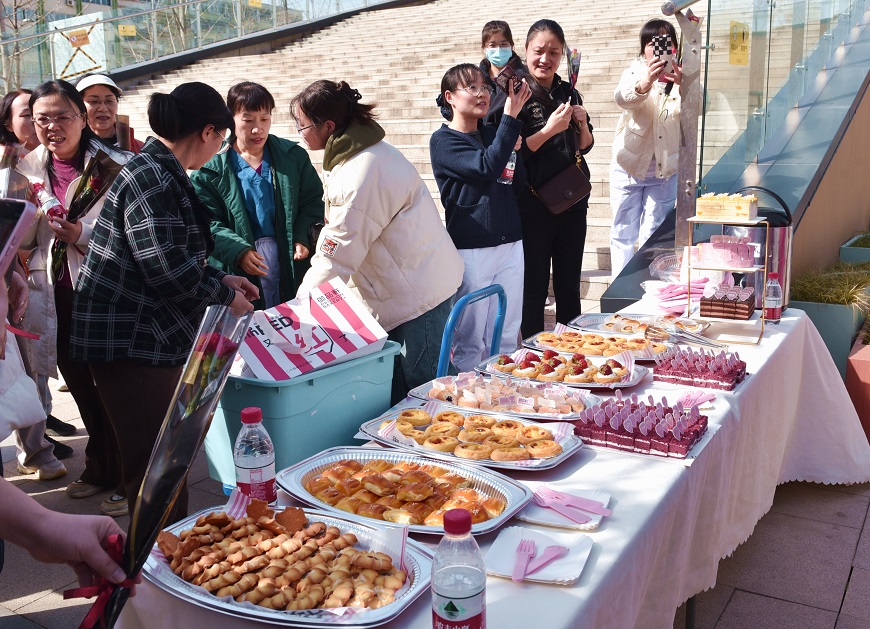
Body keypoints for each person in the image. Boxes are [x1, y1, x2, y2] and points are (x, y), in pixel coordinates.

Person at [70, 82, 258, 524]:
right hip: (131, 339)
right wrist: (225, 297)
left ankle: (166, 549)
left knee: (163, 459)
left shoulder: (159, 170)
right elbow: (166, 269)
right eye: (222, 138)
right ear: (208, 132)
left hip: (144, 333)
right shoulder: (151, 175)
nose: (218, 148)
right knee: (156, 465)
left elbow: (171, 256)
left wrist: (221, 278)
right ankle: (158, 556)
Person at [291, 80, 463, 403]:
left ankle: (455, 432)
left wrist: (299, 307)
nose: (298, 132)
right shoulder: (357, 154)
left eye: (302, 125)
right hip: (412, 281)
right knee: (409, 387)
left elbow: (337, 253)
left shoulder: (361, 170)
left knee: (430, 390)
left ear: (327, 126)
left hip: (418, 293)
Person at [16, 81, 131, 504]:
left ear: (82, 118)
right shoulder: (26, 169)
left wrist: (83, 232)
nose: (52, 126)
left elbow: (136, 229)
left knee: (114, 389)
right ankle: (101, 467)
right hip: (56, 294)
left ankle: (132, 478)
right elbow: (23, 236)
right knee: (81, 386)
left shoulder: (117, 166)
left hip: (106, 293)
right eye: (42, 118)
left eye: (62, 116)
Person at [430, 63, 530, 372]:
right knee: (471, 339)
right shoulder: (444, 141)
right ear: (449, 97)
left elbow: (517, 183)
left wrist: (512, 148)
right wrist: (509, 122)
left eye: (485, 87)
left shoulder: (493, 133)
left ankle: (507, 389)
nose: (481, 93)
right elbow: (485, 167)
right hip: (473, 247)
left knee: (508, 330)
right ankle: (468, 392)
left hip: (510, 241)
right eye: (471, 87)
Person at [191, 81, 324, 309]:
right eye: (248, 120)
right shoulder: (209, 167)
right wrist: (238, 251)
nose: (257, 129)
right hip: (239, 265)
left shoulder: (293, 157)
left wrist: (301, 236)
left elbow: (312, 202)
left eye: (264, 119)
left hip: (289, 258)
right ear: (230, 119)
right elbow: (207, 222)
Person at [0, 88, 77, 458]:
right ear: (7, 123)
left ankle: (40, 430)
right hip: (26, 271)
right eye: (27, 115)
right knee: (27, 362)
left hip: (46, 273)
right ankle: (34, 446)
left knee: (39, 361)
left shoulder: (50, 161)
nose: (37, 122)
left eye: (40, 114)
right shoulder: (10, 166)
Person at [516, 19, 594, 338]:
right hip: (534, 207)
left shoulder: (568, 90)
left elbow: (584, 146)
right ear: (526, 51)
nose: (545, 59)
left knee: (569, 287)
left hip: (573, 201)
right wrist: (549, 130)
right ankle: (532, 353)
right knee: (534, 289)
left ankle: (572, 350)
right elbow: (515, 153)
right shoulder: (516, 95)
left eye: (554, 52)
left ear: (562, 55)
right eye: (539, 51)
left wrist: (582, 124)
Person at [609, 19, 682, 277]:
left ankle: (648, 282)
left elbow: (700, 108)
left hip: (664, 172)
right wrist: (646, 82)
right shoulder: (634, 72)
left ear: (675, 48)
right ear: (644, 49)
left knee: (655, 231)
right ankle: (620, 283)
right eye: (652, 43)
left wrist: (685, 84)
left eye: (666, 43)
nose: (659, 49)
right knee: (623, 231)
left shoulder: (684, 75)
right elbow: (622, 98)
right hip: (628, 166)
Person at [76, 73, 145, 153]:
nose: (103, 108)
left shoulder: (140, 149)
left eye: (109, 101)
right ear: (78, 106)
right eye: (94, 101)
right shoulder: (71, 150)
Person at [478, 20, 526, 127]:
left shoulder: (524, 76)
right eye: (492, 45)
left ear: (511, 46)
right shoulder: (476, 78)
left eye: (504, 44)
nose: (498, 49)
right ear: (484, 48)